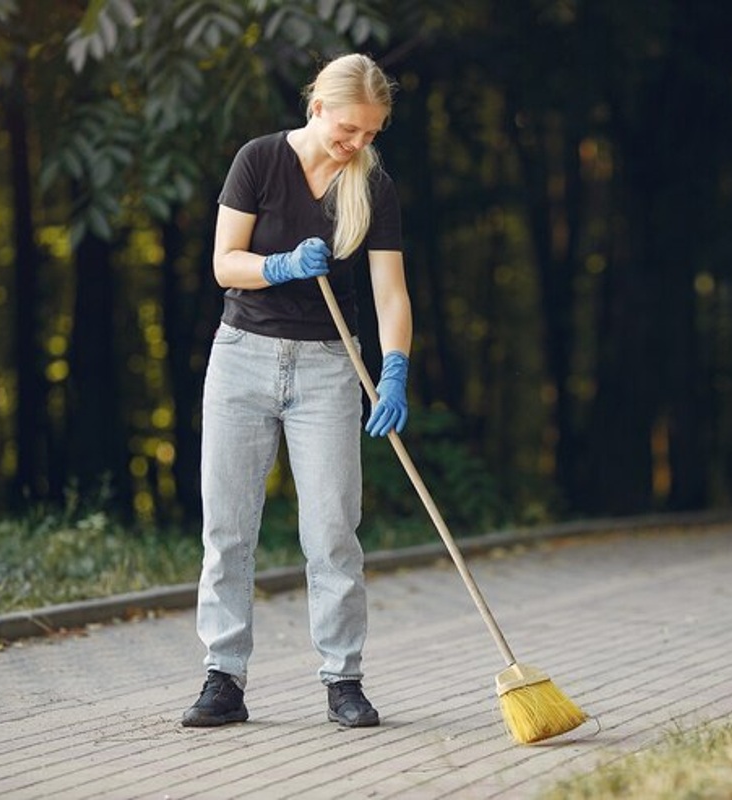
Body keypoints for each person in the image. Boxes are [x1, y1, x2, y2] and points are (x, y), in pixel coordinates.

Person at [181, 53, 411, 729]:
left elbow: (390, 292)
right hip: (242, 359)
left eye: (370, 133)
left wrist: (394, 366)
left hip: (328, 369)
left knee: (333, 529)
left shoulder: (372, 185)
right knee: (227, 528)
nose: (357, 144)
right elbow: (225, 262)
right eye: (348, 130)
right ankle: (222, 678)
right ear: (316, 109)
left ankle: (343, 679)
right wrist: (279, 265)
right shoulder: (257, 160)